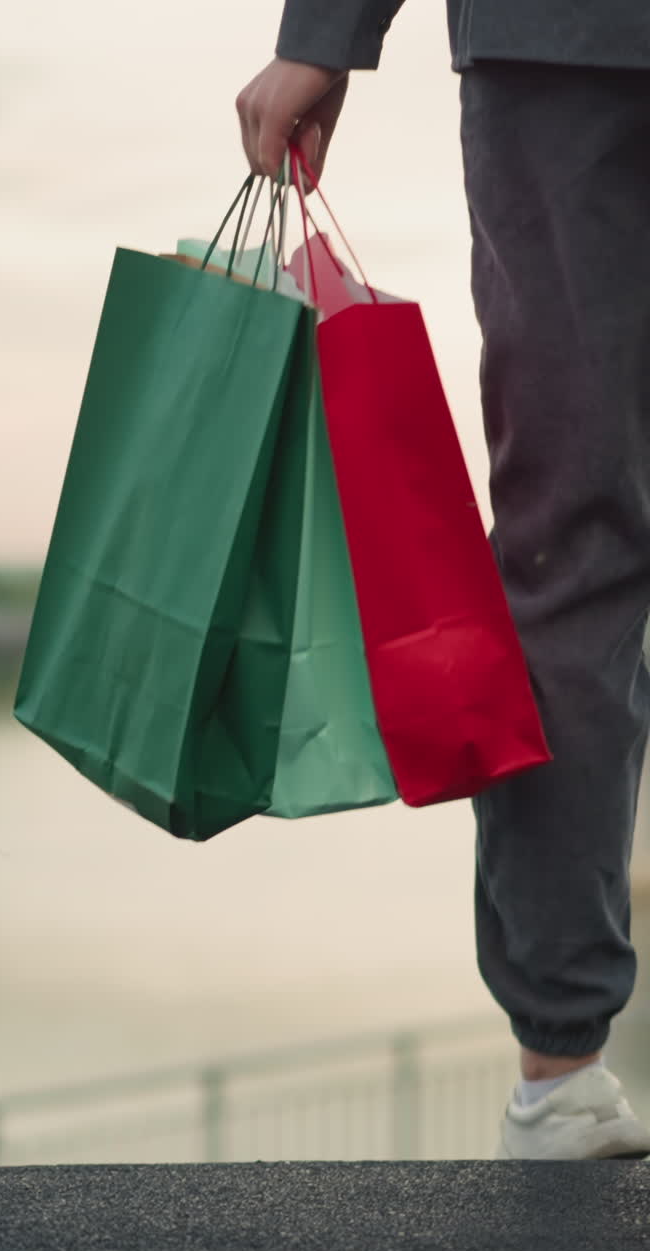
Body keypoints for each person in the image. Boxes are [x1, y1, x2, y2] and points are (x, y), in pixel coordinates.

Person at [235, 1, 650, 1160]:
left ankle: (563, 1070)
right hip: (567, 46)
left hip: (566, 47)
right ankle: (564, 1060)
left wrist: (326, 30)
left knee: (573, 534)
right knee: (573, 532)